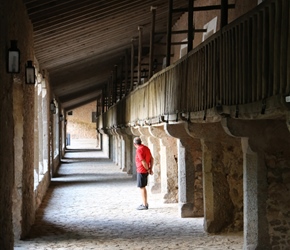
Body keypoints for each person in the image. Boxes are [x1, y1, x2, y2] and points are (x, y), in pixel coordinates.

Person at [133, 137, 154, 210]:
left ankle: (144, 204)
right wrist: (150, 168)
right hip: (145, 170)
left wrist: (148, 169)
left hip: (141, 170)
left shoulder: (139, 150)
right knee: (143, 186)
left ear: (134, 144)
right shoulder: (146, 148)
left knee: (142, 187)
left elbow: (143, 161)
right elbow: (152, 159)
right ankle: (144, 203)